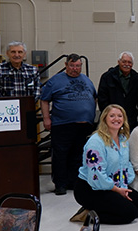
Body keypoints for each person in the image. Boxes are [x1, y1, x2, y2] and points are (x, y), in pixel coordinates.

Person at [73, 105, 138, 224]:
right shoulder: (95, 142)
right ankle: (88, 214)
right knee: (130, 213)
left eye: (120, 116)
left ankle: (102, 207)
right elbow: (96, 176)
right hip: (91, 188)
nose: (116, 119)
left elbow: (126, 164)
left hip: (115, 184)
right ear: (104, 119)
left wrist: (123, 187)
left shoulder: (123, 139)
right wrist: (117, 190)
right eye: (112, 116)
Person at [40, 53, 97, 195]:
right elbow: (44, 100)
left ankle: (74, 182)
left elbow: (94, 97)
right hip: (62, 124)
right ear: (66, 65)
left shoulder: (86, 80)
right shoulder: (55, 81)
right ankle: (60, 184)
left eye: (78, 66)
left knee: (78, 155)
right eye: (72, 65)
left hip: (84, 125)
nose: (75, 69)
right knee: (61, 155)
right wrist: (46, 118)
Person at [98, 51, 138, 130]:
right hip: (111, 120)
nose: (127, 64)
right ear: (118, 62)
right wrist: (109, 116)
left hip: (130, 120)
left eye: (129, 62)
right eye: (124, 61)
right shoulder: (107, 77)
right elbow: (102, 99)